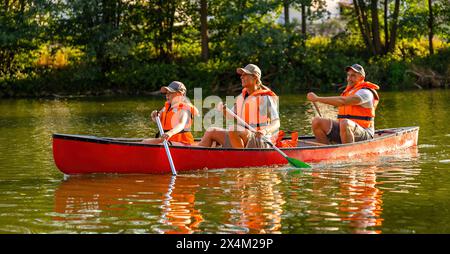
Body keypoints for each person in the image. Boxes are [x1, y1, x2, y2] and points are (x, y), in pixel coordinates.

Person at [197, 64, 280, 148]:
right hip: (241, 137)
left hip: (260, 140)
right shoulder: (241, 98)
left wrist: (264, 131)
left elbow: (276, 122)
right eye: (242, 75)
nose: (241, 77)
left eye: (245, 75)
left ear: (255, 78)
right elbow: (231, 117)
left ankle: (241, 158)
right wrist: (224, 110)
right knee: (211, 131)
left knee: (234, 129)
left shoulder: (265, 98)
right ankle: (196, 157)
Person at [306, 64, 380, 144]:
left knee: (345, 123)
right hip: (345, 130)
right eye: (348, 75)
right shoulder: (348, 92)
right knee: (317, 121)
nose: (349, 78)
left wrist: (317, 99)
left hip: (365, 133)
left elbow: (342, 101)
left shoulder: (365, 92)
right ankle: (325, 151)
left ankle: (347, 152)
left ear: (361, 78)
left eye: (353, 76)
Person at [142, 81, 199, 146]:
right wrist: (154, 116)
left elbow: (181, 125)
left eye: (170, 93)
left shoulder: (184, 109)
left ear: (179, 94)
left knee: (160, 145)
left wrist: (170, 133)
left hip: (183, 142)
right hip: (168, 140)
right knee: (145, 142)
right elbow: (157, 119)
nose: (167, 95)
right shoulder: (167, 107)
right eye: (166, 93)